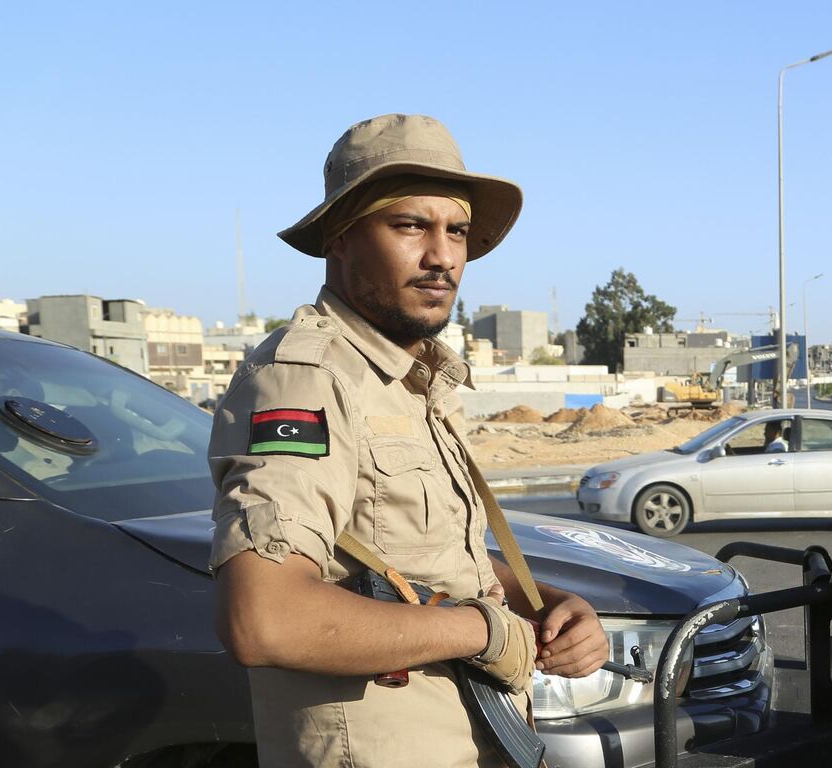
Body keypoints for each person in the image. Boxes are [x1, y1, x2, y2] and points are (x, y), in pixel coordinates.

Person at [209, 114, 609, 767]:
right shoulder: (305, 378)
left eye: (456, 231)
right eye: (409, 226)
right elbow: (264, 617)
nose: (443, 255)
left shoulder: (410, 380)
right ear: (341, 236)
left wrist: (549, 606)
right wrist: (482, 631)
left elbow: (427, 560)